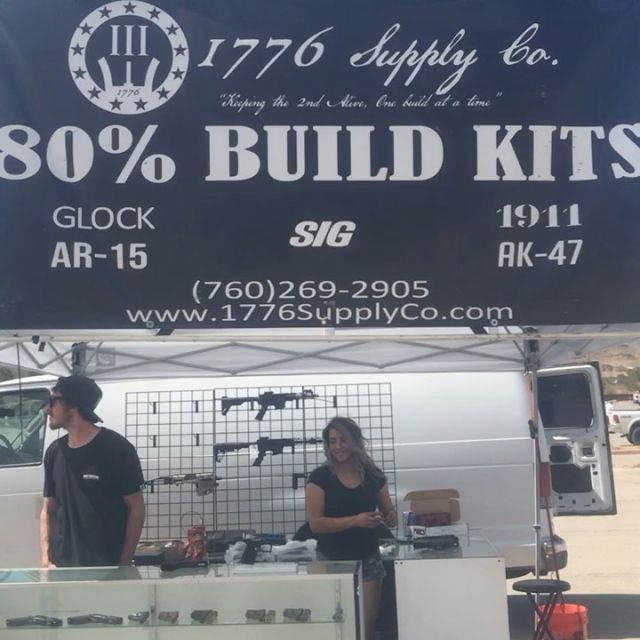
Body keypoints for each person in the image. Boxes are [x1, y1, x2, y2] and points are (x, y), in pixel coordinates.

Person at [39, 375, 145, 567]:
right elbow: (48, 509)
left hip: (106, 568)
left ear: (72, 405)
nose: (47, 408)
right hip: (61, 569)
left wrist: (123, 563)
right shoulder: (54, 452)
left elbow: (136, 508)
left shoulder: (116, 449)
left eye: (52, 400)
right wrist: (46, 560)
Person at [306, 416, 396, 640]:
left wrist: (389, 517)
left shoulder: (372, 474)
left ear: (355, 441)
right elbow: (316, 524)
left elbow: (389, 513)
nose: (338, 446)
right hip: (330, 560)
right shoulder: (320, 477)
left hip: (368, 559)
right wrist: (355, 520)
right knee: (335, 629)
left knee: (365, 629)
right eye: (332, 441)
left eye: (343, 440)